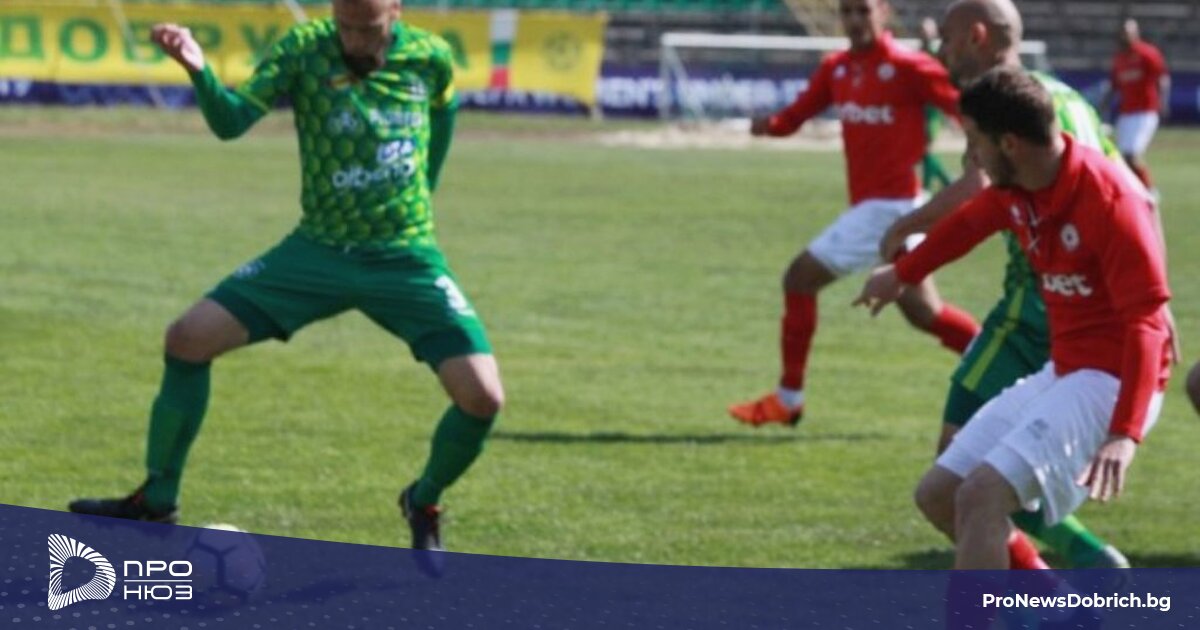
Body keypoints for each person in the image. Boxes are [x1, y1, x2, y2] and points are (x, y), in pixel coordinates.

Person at [68, 0, 502, 576]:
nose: (354, 40)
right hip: (315, 253)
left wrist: (425, 192)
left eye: (367, 29)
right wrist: (198, 68)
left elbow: (445, 113)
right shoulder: (303, 49)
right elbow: (230, 122)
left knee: (483, 398)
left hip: (405, 258)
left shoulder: (431, 56)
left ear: (395, 11)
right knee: (187, 340)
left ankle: (422, 500)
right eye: (344, 26)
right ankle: (157, 497)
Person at [856, 66, 1172, 570]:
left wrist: (1124, 433)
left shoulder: (1111, 199)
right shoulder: (1021, 188)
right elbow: (968, 224)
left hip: (1111, 382)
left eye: (975, 142)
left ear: (1009, 144)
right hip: (1066, 369)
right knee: (940, 493)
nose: (973, 158)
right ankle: (1053, 604)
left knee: (981, 494)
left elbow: (1148, 323)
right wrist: (901, 273)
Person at [728, 0, 980, 427]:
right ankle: (1013, 365)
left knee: (799, 279)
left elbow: (963, 109)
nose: (855, 20)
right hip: (886, 209)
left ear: (883, 12)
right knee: (924, 313)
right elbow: (796, 116)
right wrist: (768, 125)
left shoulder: (909, 66)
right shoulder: (837, 68)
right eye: (847, 11)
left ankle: (788, 398)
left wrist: (984, 145)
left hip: (890, 207)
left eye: (863, 10)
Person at [1103, 18, 1169, 191]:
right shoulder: (1119, 59)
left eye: (1129, 32)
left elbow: (1162, 78)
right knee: (1121, 159)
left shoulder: (1148, 53)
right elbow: (1114, 85)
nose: (1125, 36)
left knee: (1132, 154)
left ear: (1136, 33)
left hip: (1145, 111)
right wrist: (1103, 106)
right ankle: (1135, 191)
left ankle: (1150, 191)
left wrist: (1164, 101)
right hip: (1126, 113)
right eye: (1123, 33)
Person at [918, 16, 953, 192]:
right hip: (919, 108)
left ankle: (932, 186)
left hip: (932, 110)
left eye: (927, 30)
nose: (924, 34)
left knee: (925, 151)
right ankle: (944, 183)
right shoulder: (918, 53)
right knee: (922, 152)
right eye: (922, 30)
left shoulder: (938, 54)